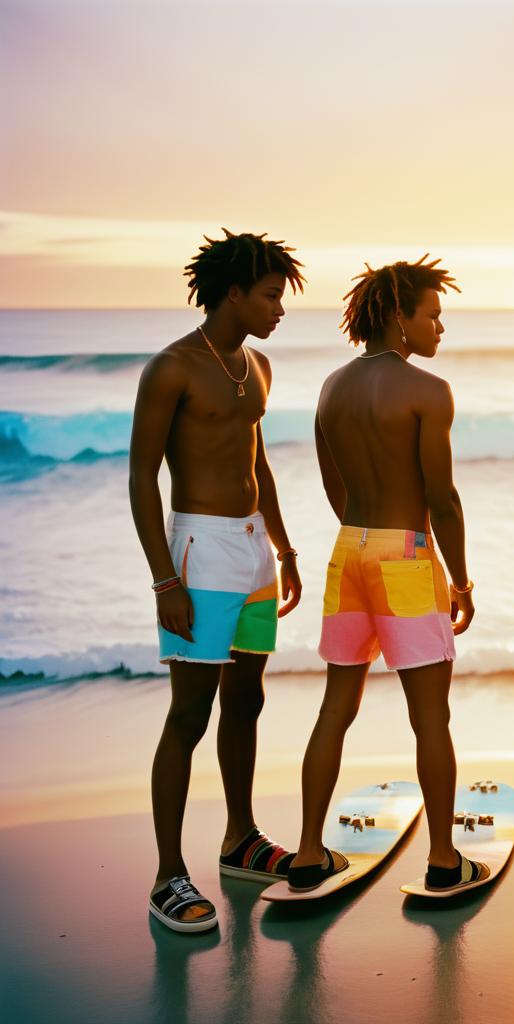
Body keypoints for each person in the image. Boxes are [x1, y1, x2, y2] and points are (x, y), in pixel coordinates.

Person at [286, 255, 484, 894]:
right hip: (404, 556)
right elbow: (443, 496)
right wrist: (461, 579)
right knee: (430, 718)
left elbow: (332, 483)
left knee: (335, 707)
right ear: (399, 317)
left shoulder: (330, 388)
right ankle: (446, 860)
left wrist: (365, 536)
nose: (440, 327)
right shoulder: (429, 391)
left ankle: (310, 852)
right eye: (432, 314)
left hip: (349, 551)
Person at [129, 229, 305, 933]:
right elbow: (142, 475)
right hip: (198, 553)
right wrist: (164, 581)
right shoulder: (171, 368)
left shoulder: (257, 365)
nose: (279, 310)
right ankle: (168, 874)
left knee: (248, 700)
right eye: (270, 296)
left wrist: (285, 548)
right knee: (189, 714)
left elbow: (256, 463)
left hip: (253, 549)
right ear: (233, 292)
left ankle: (241, 839)